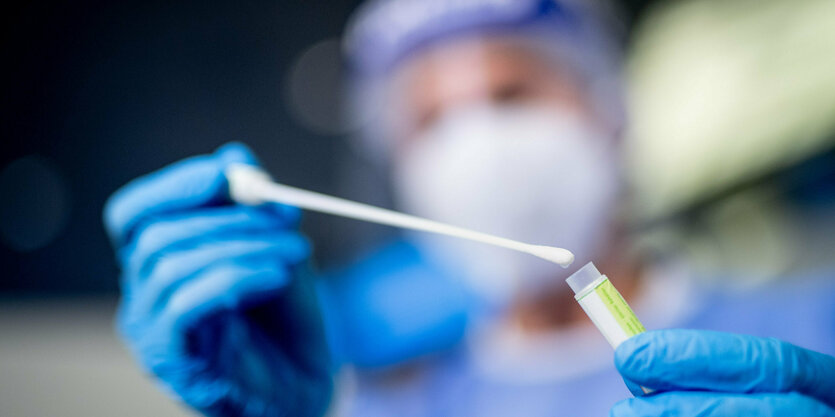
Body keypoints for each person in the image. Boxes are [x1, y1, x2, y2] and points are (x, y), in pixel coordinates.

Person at [103, 0, 835, 416]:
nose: (477, 147)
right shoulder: (392, 407)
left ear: (609, 112)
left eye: (510, 96)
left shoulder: (812, 333)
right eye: (430, 123)